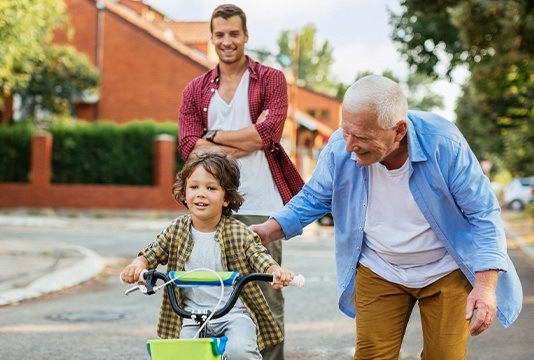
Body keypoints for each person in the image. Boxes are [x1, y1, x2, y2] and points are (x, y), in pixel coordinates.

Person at [251, 75, 523, 359]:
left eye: (362, 137)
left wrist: (484, 286)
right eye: (346, 132)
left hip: (446, 268)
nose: (349, 146)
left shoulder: (443, 143)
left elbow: (483, 214)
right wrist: (268, 230)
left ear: (398, 131)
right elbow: (314, 198)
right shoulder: (339, 148)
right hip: (380, 267)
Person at [177, 4, 304, 359]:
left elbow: (268, 135)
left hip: (261, 204)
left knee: (264, 297)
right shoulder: (195, 90)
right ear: (212, 37)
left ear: (246, 36)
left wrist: (212, 137)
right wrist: (244, 136)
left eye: (234, 34)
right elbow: (189, 146)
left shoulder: (271, 80)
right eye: (220, 34)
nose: (227, 41)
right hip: (210, 207)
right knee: (205, 294)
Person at [120, 149, 295, 359]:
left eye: (211, 188)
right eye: (194, 187)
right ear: (184, 193)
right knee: (185, 354)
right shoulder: (176, 230)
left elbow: (258, 255)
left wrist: (274, 271)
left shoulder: (238, 232)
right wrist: (139, 265)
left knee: (239, 351)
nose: (201, 193)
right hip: (191, 315)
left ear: (226, 198)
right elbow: (153, 252)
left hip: (233, 314)